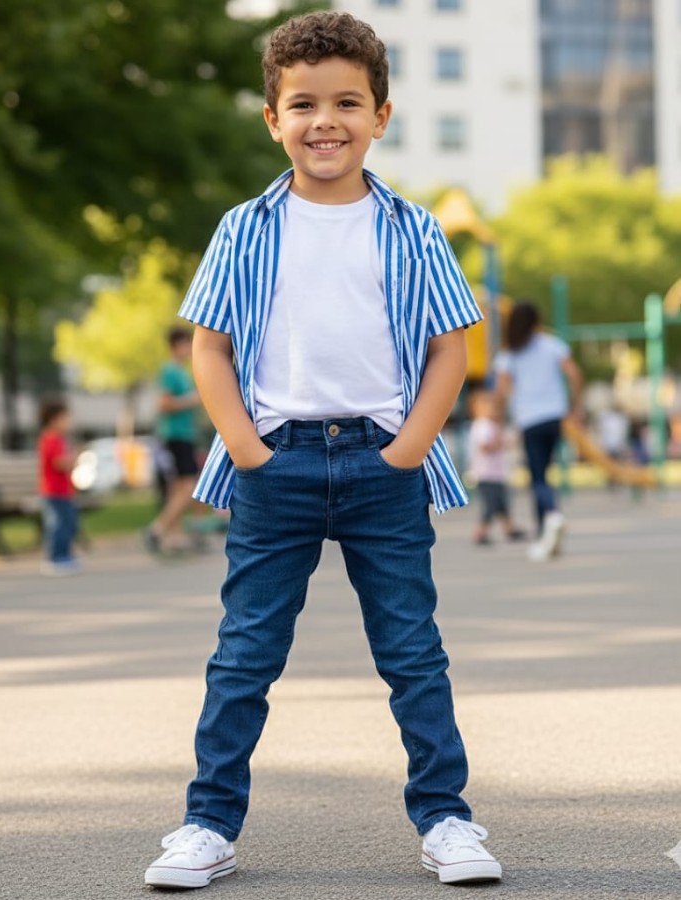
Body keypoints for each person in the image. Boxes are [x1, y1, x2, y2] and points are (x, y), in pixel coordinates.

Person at [144, 11, 501, 889]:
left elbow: (452, 344)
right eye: (302, 104)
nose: (325, 120)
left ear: (382, 115)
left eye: (348, 102)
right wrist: (247, 450)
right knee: (245, 655)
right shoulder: (245, 226)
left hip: (385, 464)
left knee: (413, 652)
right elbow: (210, 345)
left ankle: (448, 819)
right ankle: (207, 824)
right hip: (278, 465)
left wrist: (409, 448)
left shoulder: (414, 229)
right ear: (273, 118)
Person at [494, 301, 583, 562]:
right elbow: (575, 374)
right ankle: (545, 534)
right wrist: (575, 407)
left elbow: (501, 392)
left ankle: (552, 516)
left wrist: (499, 420)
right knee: (544, 472)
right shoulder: (551, 344)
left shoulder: (509, 353)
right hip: (555, 416)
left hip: (529, 420)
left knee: (537, 476)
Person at [143, 326, 202, 554]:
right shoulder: (169, 370)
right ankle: (157, 529)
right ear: (177, 345)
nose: (189, 349)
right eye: (187, 343)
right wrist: (193, 399)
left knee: (178, 488)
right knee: (187, 486)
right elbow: (164, 403)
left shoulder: (182, 372)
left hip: (185, 435)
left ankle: (174, 535)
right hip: (175, 435)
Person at [468, 390, 526, 545]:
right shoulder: (481, 426)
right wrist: (500, 443)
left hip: (497, 474)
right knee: (491, 505)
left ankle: (510, 528)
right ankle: (480, 533)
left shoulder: (493, 425)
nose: (492, 411)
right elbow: (485, 446)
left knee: (502, 503)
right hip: (486, 474)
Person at [37, 398, 80, 575]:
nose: (69, 422)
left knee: (69, 523)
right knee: (58, 525)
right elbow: (60, 463)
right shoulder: (51, 439)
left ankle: (65, 555)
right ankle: (55, 558)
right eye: (65, 418)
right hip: (54, 491)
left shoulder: (59, 439)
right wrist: (74, 459)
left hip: (63, 491)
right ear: (54, 419)